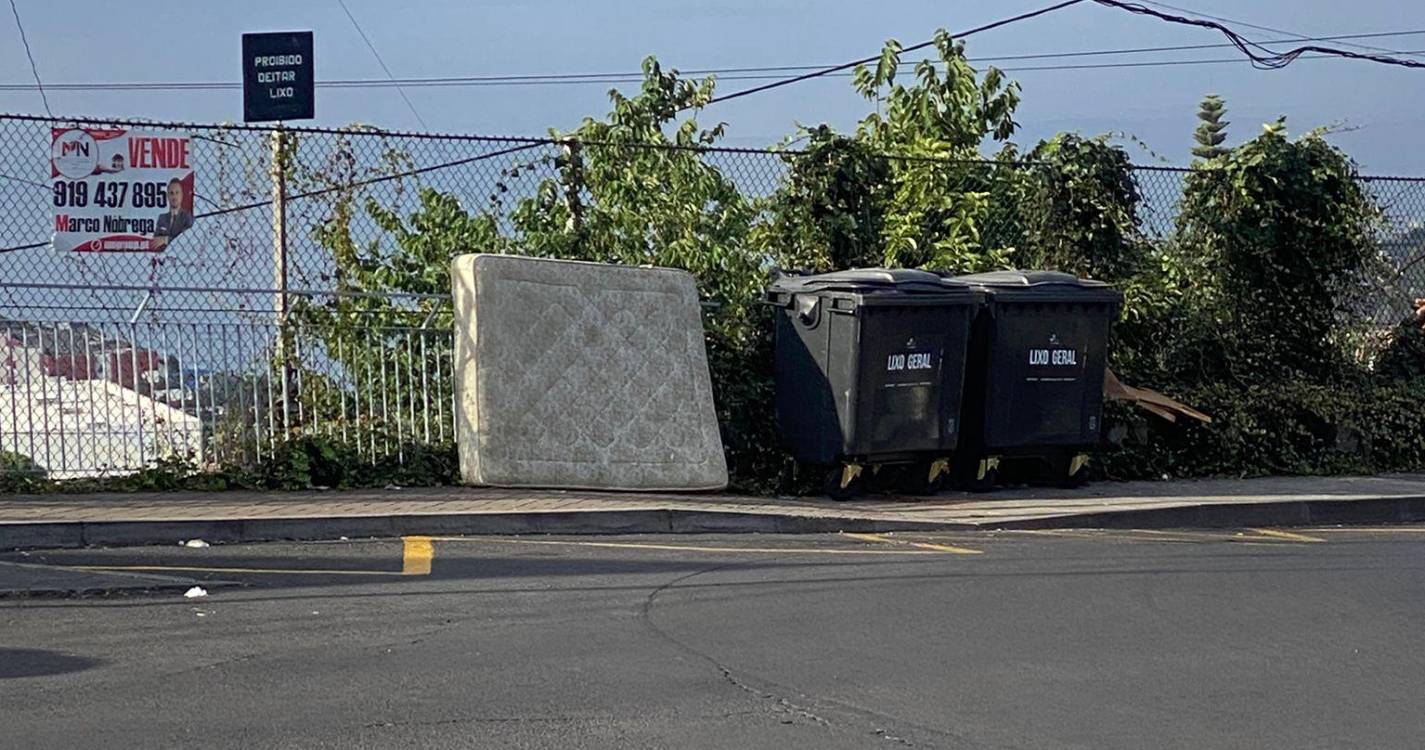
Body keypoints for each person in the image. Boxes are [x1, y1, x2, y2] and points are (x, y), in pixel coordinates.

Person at [151, 178, 194, 250]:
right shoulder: (162, 218)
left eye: (177, 193)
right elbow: (156, 240)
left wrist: (166, 239)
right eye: (171, 193)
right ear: (167, 196)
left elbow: (187, 239)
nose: (174, 196)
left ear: (181, 195)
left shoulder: (187, 216)